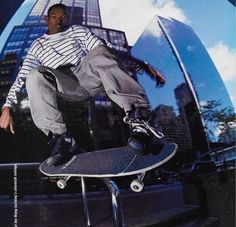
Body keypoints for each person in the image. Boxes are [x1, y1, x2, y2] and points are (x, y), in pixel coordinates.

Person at [0, 3, 165, 166]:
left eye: (62, 18)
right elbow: (22, 75)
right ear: (46, 19)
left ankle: (141, 119)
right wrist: (7, 106)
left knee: (100, 50)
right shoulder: (37, 46)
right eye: (54, 17)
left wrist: (140, 64)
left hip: (89, 76)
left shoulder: (77, 31)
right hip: (66, 84)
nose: (58, 21)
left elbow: (108, 50)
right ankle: (62, 138)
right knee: (34, 75)